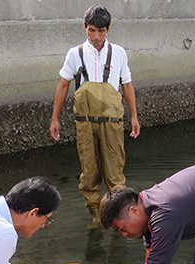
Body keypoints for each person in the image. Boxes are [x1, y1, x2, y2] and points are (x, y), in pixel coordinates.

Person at [49, 5, 140, 227]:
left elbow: (126, 85)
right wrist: (55, 118)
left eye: (101, 31)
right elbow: (62, 86)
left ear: (108, 30)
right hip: (85, 124)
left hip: (112, 123)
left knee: (115, 174)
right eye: (91, 31)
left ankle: (119, 216)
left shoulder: (118, 53)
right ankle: (95, 215)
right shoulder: (75, 53)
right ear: (85, 28)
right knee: (89, 173)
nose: (96, 36)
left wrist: (134, 117)